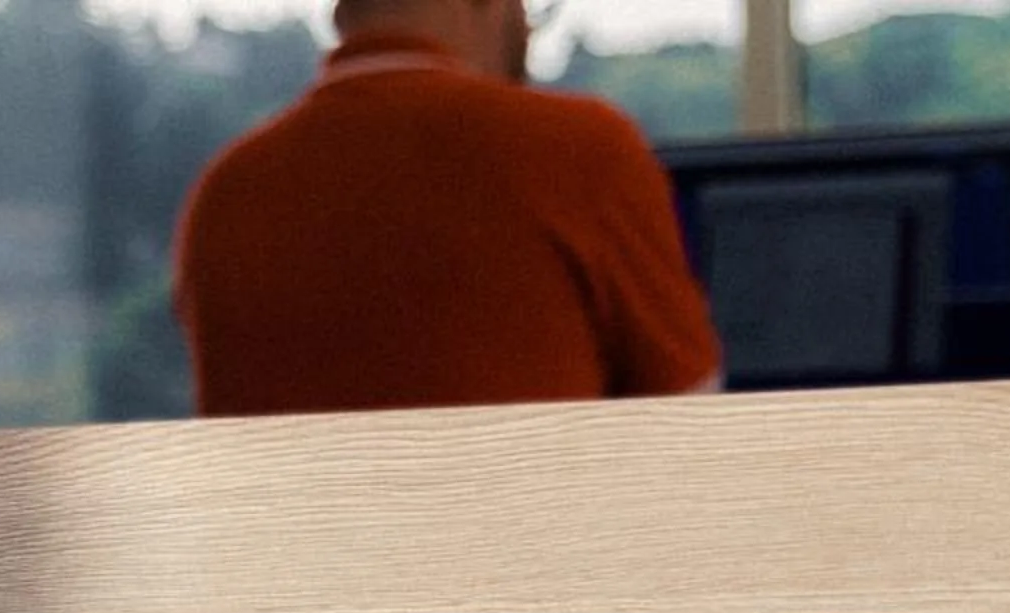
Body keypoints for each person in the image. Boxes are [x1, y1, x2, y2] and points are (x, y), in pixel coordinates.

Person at [174, 0, 720, 418]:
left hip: (297, 567)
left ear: (344, 11)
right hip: (536, 562)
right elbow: (694, 423)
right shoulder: (577, 150)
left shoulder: (224, 195)